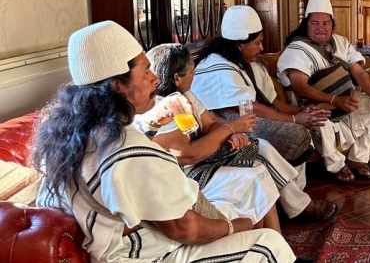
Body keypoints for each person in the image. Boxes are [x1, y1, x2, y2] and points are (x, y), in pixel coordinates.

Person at [30, 21, 298, 262]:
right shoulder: (128, 147)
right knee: (267, 244)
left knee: (243, 192)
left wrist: (152, 123)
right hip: (139, 255)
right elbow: (186, 229)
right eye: (145, 70)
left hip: (126, 241)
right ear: (116, 85)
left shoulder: (72, 135)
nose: (155, 78)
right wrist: (239, 226)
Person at [145, 43, 339, 227]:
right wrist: (230, 129)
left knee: (261, 152)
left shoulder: (187, 96)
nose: (195, 74)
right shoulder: (164, 109)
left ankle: (277, 239)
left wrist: (230, 135)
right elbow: (189, 155)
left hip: (208, 157)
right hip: (192, 173)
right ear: (177, 78)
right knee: (259, 167)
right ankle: (301, 208)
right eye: (191, 71)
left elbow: (211, 123)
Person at [191, 5, 332, 169]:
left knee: (307, 130)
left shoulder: (252, 64)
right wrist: (294, 120)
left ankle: (295, 191)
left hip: (248, 119)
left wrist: (299, 113)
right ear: (240, 45)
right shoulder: (217, 65)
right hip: (222, 125)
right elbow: (250, 108)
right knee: (295, 136)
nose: (262, 48)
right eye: (257, 43)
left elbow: (271, 101)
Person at [276, 0, 370, 182]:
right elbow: (300, 88)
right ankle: (337, 165)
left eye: (325, 23)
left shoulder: (340, 42)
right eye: (315, 23)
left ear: (332, 25)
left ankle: (358, 159)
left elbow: (360, 73)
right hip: (313, 104)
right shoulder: (297, 49)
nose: (321, 28)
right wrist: (335, 100)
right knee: (320, 123)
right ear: (306, 25)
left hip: (343, 98)